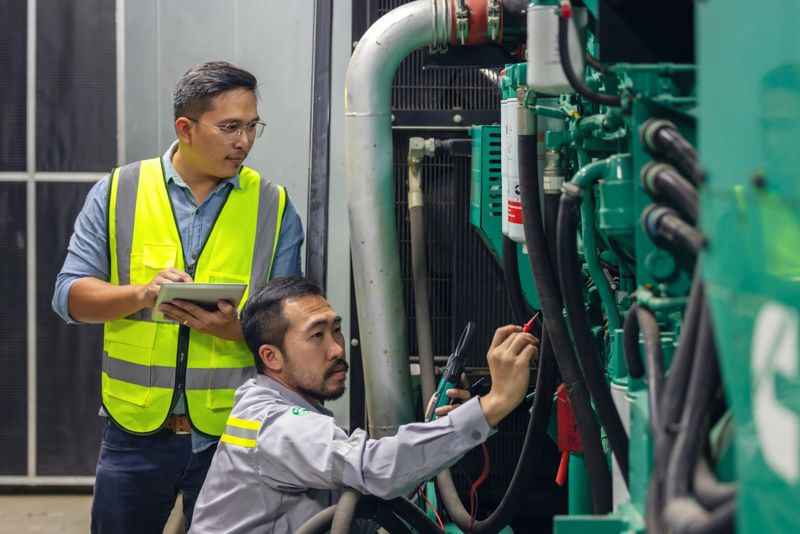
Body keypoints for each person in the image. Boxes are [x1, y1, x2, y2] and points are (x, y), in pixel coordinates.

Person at [52, 61, 304, 533]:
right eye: (230, 127)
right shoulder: (118, 191)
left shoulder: (273, 206)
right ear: (185, 128)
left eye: (252, 126)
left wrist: (236, 328)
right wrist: (143, 294)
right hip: (135, 433)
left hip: (234, 433)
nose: (244, 142)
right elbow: (70, 297)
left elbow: (291, 323)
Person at [189, 275, 538, 533]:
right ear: (271, 356)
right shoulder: (276, 425)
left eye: (336, 329)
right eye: (317, 335)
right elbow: (376, 468)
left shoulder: (287, 408)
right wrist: (495, 403)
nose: (338, 348)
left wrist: (442, 430)